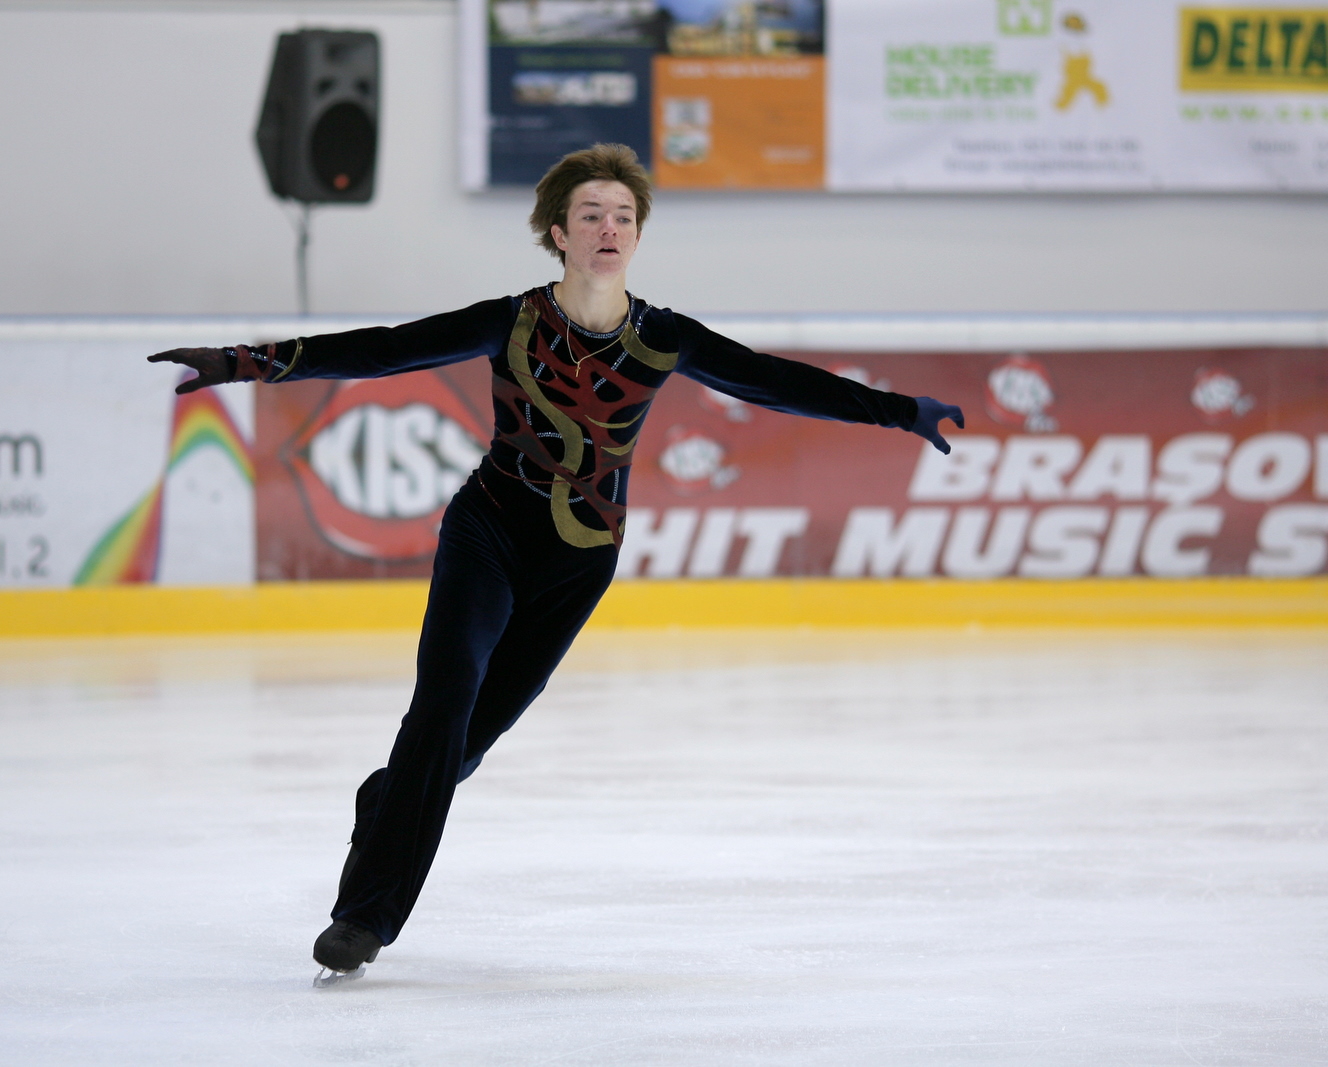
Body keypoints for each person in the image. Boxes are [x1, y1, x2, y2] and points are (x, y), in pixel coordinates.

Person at [149, 144, 963, 984]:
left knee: (466, 743)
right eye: (591, 215)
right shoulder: (511, 321)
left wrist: (901, 411)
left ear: (637, 236)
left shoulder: (664, 337)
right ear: (558, 234)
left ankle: (386, 801)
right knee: (442, 706)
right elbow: (386, 349)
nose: (609, 228)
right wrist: (244, 361)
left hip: (579, 561)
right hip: (488, 531)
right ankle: (364, 918)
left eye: (624, 217)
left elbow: (773, 382)